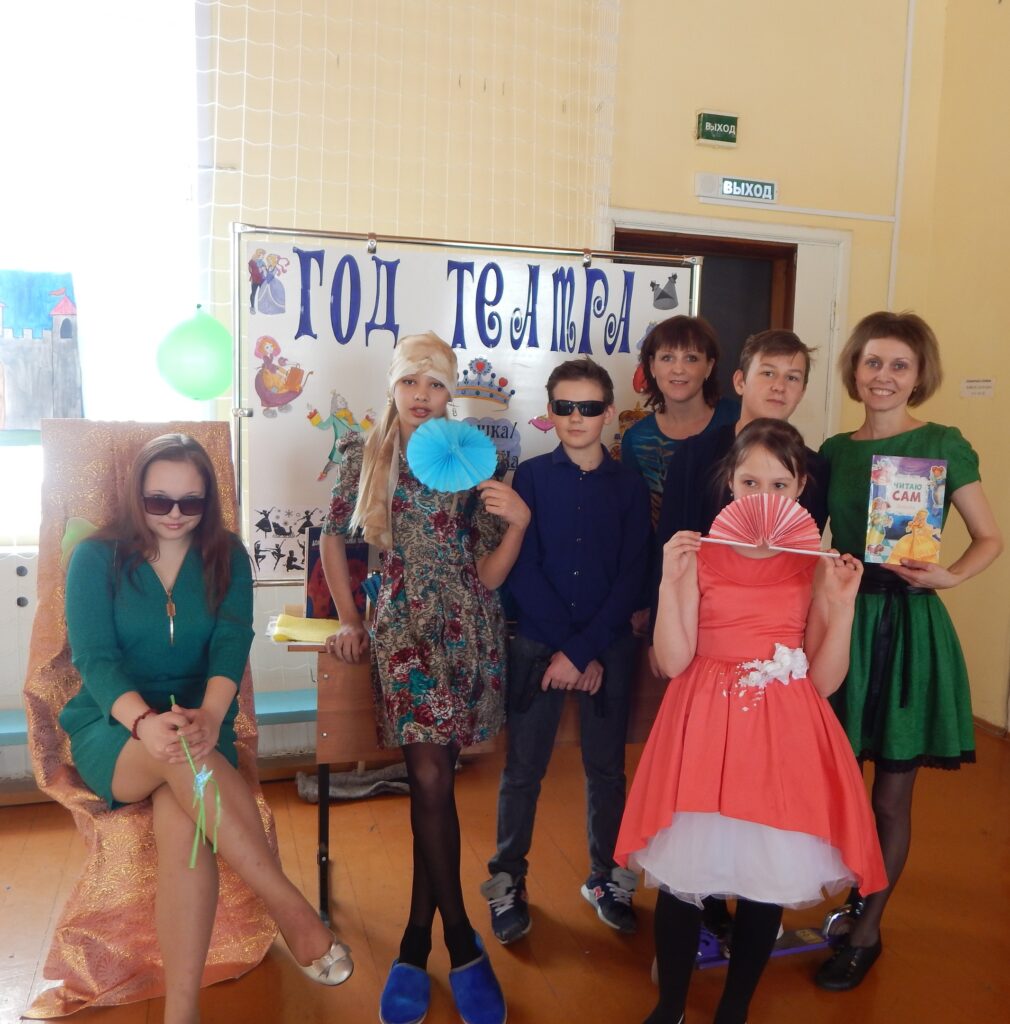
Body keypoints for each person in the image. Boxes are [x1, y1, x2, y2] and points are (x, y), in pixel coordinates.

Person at [61, 434, 351, 1024]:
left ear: (208, 502)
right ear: (135, 494)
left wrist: (213, 716)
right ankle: (291, 908)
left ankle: (182, 1012)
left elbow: (230, 642)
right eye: (158, 501)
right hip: (114, 725)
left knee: (183, 827)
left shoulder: (228, 554)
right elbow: (94, 658)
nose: (174, 514)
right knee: (177, 757)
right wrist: (143, 722)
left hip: (200, 720)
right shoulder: (96, 558)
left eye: (190, 503)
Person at [615, 419, 888, 1024]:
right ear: (730, 483)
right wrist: (671, 581)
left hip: (782, 729)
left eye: (780, 484)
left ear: (801, 487)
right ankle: (670, 1006)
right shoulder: (699, 553)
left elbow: (824, 681)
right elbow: (672, 661)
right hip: (702, 719)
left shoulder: (816, 562)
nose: (764, 496)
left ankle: (734, 1010)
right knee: (684, 877)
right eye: (750, 482)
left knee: (768, 880)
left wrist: (842, 608)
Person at [320, 332, 529, 1024]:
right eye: (410, 380)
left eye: (435, 383)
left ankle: (415, 940)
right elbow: (331, 536)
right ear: (393, 384)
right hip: (402, 630)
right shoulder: (364, 452)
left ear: (450, 393)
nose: (421, 395)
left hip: (467, 630)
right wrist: (349, 619)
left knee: (434, 784)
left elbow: (489, 575)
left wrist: (518, 527)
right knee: (431, 778)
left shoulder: (473, 455)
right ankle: (462, 943)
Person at [814, 311, 1002, 990]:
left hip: (911, 629)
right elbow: (812, 538)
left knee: (892, 797)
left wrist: (949, 576)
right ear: (854, 370)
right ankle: (835, 895)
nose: (884, 376)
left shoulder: (942, 442)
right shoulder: (833, 449)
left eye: (899, 365)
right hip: (846, 627)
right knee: (833, 785)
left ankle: (867, 929)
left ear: (920, 374)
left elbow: (989, 537)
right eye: (873, 362)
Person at [648, 327, 831, 947]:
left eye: (793, 377)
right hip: (701, 642)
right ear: (740, 380)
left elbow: (803, 556)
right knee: (697, 802)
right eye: (768, 373)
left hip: (774, 658)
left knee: (760, 808)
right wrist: (663, 623)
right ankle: (699, 914)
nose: (779, 386)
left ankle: (741, 905)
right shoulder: (697, 454)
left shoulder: (814, 466)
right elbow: (671, 546)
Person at [481, 357, 651, 943]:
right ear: (550, 413)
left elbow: (632, 575)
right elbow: (520, 569)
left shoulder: (630, 486)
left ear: (609, 412)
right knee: (522, 770)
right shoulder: (527, 478)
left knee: (607, 770)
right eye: (564, 406)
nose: (577, 417)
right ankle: (508, 879)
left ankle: (608, 878)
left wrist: (584, 651)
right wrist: (567, 650)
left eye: (589, 407)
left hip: (608, 646)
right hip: (538, 644)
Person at [620, 315, 739, 527]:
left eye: (691, 358)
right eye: (667, 358)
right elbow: (636, 520)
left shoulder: (737, 419)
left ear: (709, 367)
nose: (678, 369)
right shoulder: (636, 439)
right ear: (652, 366)